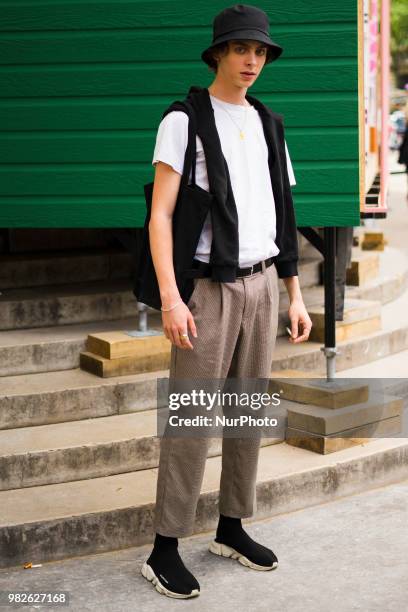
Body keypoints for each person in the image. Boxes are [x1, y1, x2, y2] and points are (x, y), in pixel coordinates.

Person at [141, 4, 312, 599]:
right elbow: (160, 214)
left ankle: (232, 526)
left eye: (260, 52)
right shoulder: (183, 120)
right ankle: (164, 547)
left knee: (244, 413)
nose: (251, 60)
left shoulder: (269, 122)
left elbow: (281, 214)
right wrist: (170, 296)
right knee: (193, 417)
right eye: (241, 49)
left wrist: (294, 292)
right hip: (207, 289)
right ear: (217, 53)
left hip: (263, 283)